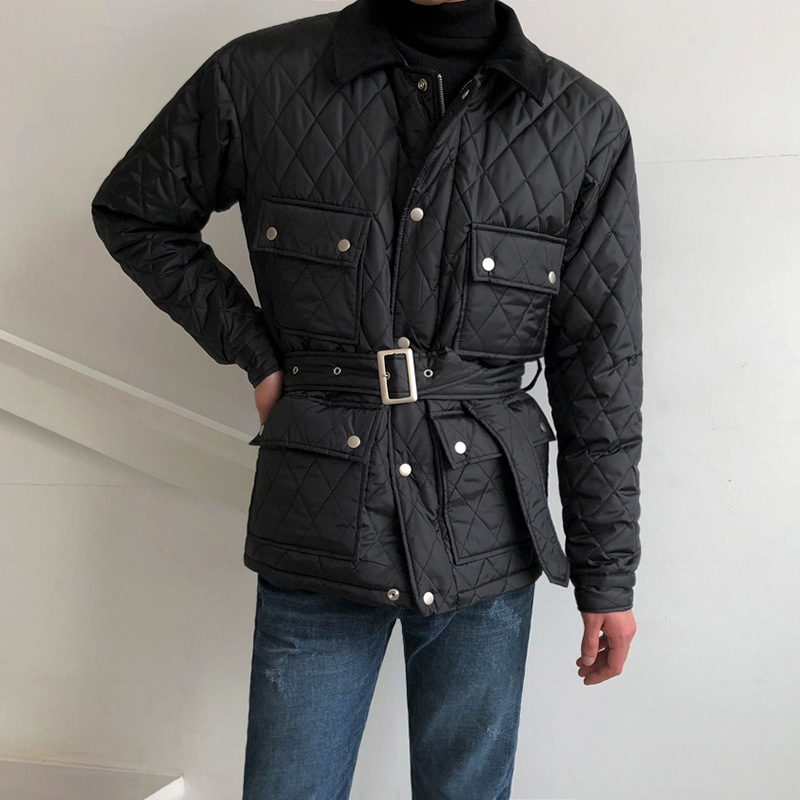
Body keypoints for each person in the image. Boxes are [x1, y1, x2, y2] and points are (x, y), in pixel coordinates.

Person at [90, 0, 643, 797]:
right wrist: (258, 356)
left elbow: (601, 366)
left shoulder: (579, 120)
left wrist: (608, 575)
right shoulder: (261, 76)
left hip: (484, 525)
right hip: (322, 516)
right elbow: (136, 213)